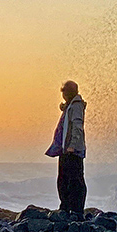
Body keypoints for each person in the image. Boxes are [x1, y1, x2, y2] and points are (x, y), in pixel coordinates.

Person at [45, 80, 87, 218]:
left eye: (63, 92)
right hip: (65, 148)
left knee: (75, 180)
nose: (62, 94)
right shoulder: (71, 105)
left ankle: (76, 210)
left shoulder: (76, 106)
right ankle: (65, 207)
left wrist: (72, 146)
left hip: (72, 149)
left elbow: (77, 126)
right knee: (63, 179)